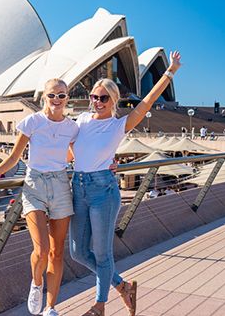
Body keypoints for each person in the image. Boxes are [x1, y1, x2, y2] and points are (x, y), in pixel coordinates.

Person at [69, 51, 181, 316]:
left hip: (103, 191)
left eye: (103, 98)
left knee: (102, 253)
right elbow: (70, 151)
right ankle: (123, 286)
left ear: (113, 100)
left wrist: (170, 71)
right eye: (94, 97)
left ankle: (99, 306)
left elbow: (148, 101)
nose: (97, 101)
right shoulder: (81, 121)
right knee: (77, 252)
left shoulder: (119, 125)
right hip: (78, 186)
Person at [0, 78, 78, 316]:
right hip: (34, 186)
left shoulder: (72, 127)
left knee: (57, 251)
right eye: (52, 95)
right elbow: (15, 158)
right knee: (42, 249)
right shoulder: (32, 122)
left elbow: (77, 155)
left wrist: (108, 164)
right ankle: (36, 283)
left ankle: (51, 307)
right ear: (43, 97)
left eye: (62, 95)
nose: (57, 100)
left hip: (61, 185)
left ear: (67, 98)